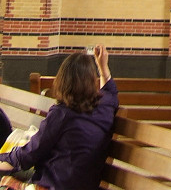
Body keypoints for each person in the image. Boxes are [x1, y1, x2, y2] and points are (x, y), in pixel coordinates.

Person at [0, 45, 118, 190]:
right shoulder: (105, 106)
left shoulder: (62, 113)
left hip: (55, 184)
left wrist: (3, 159)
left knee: (5, 178)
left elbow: (32, 152)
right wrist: (102, 67)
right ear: (91, 81)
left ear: (62, 81)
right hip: (86, 184)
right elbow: (110, 90)